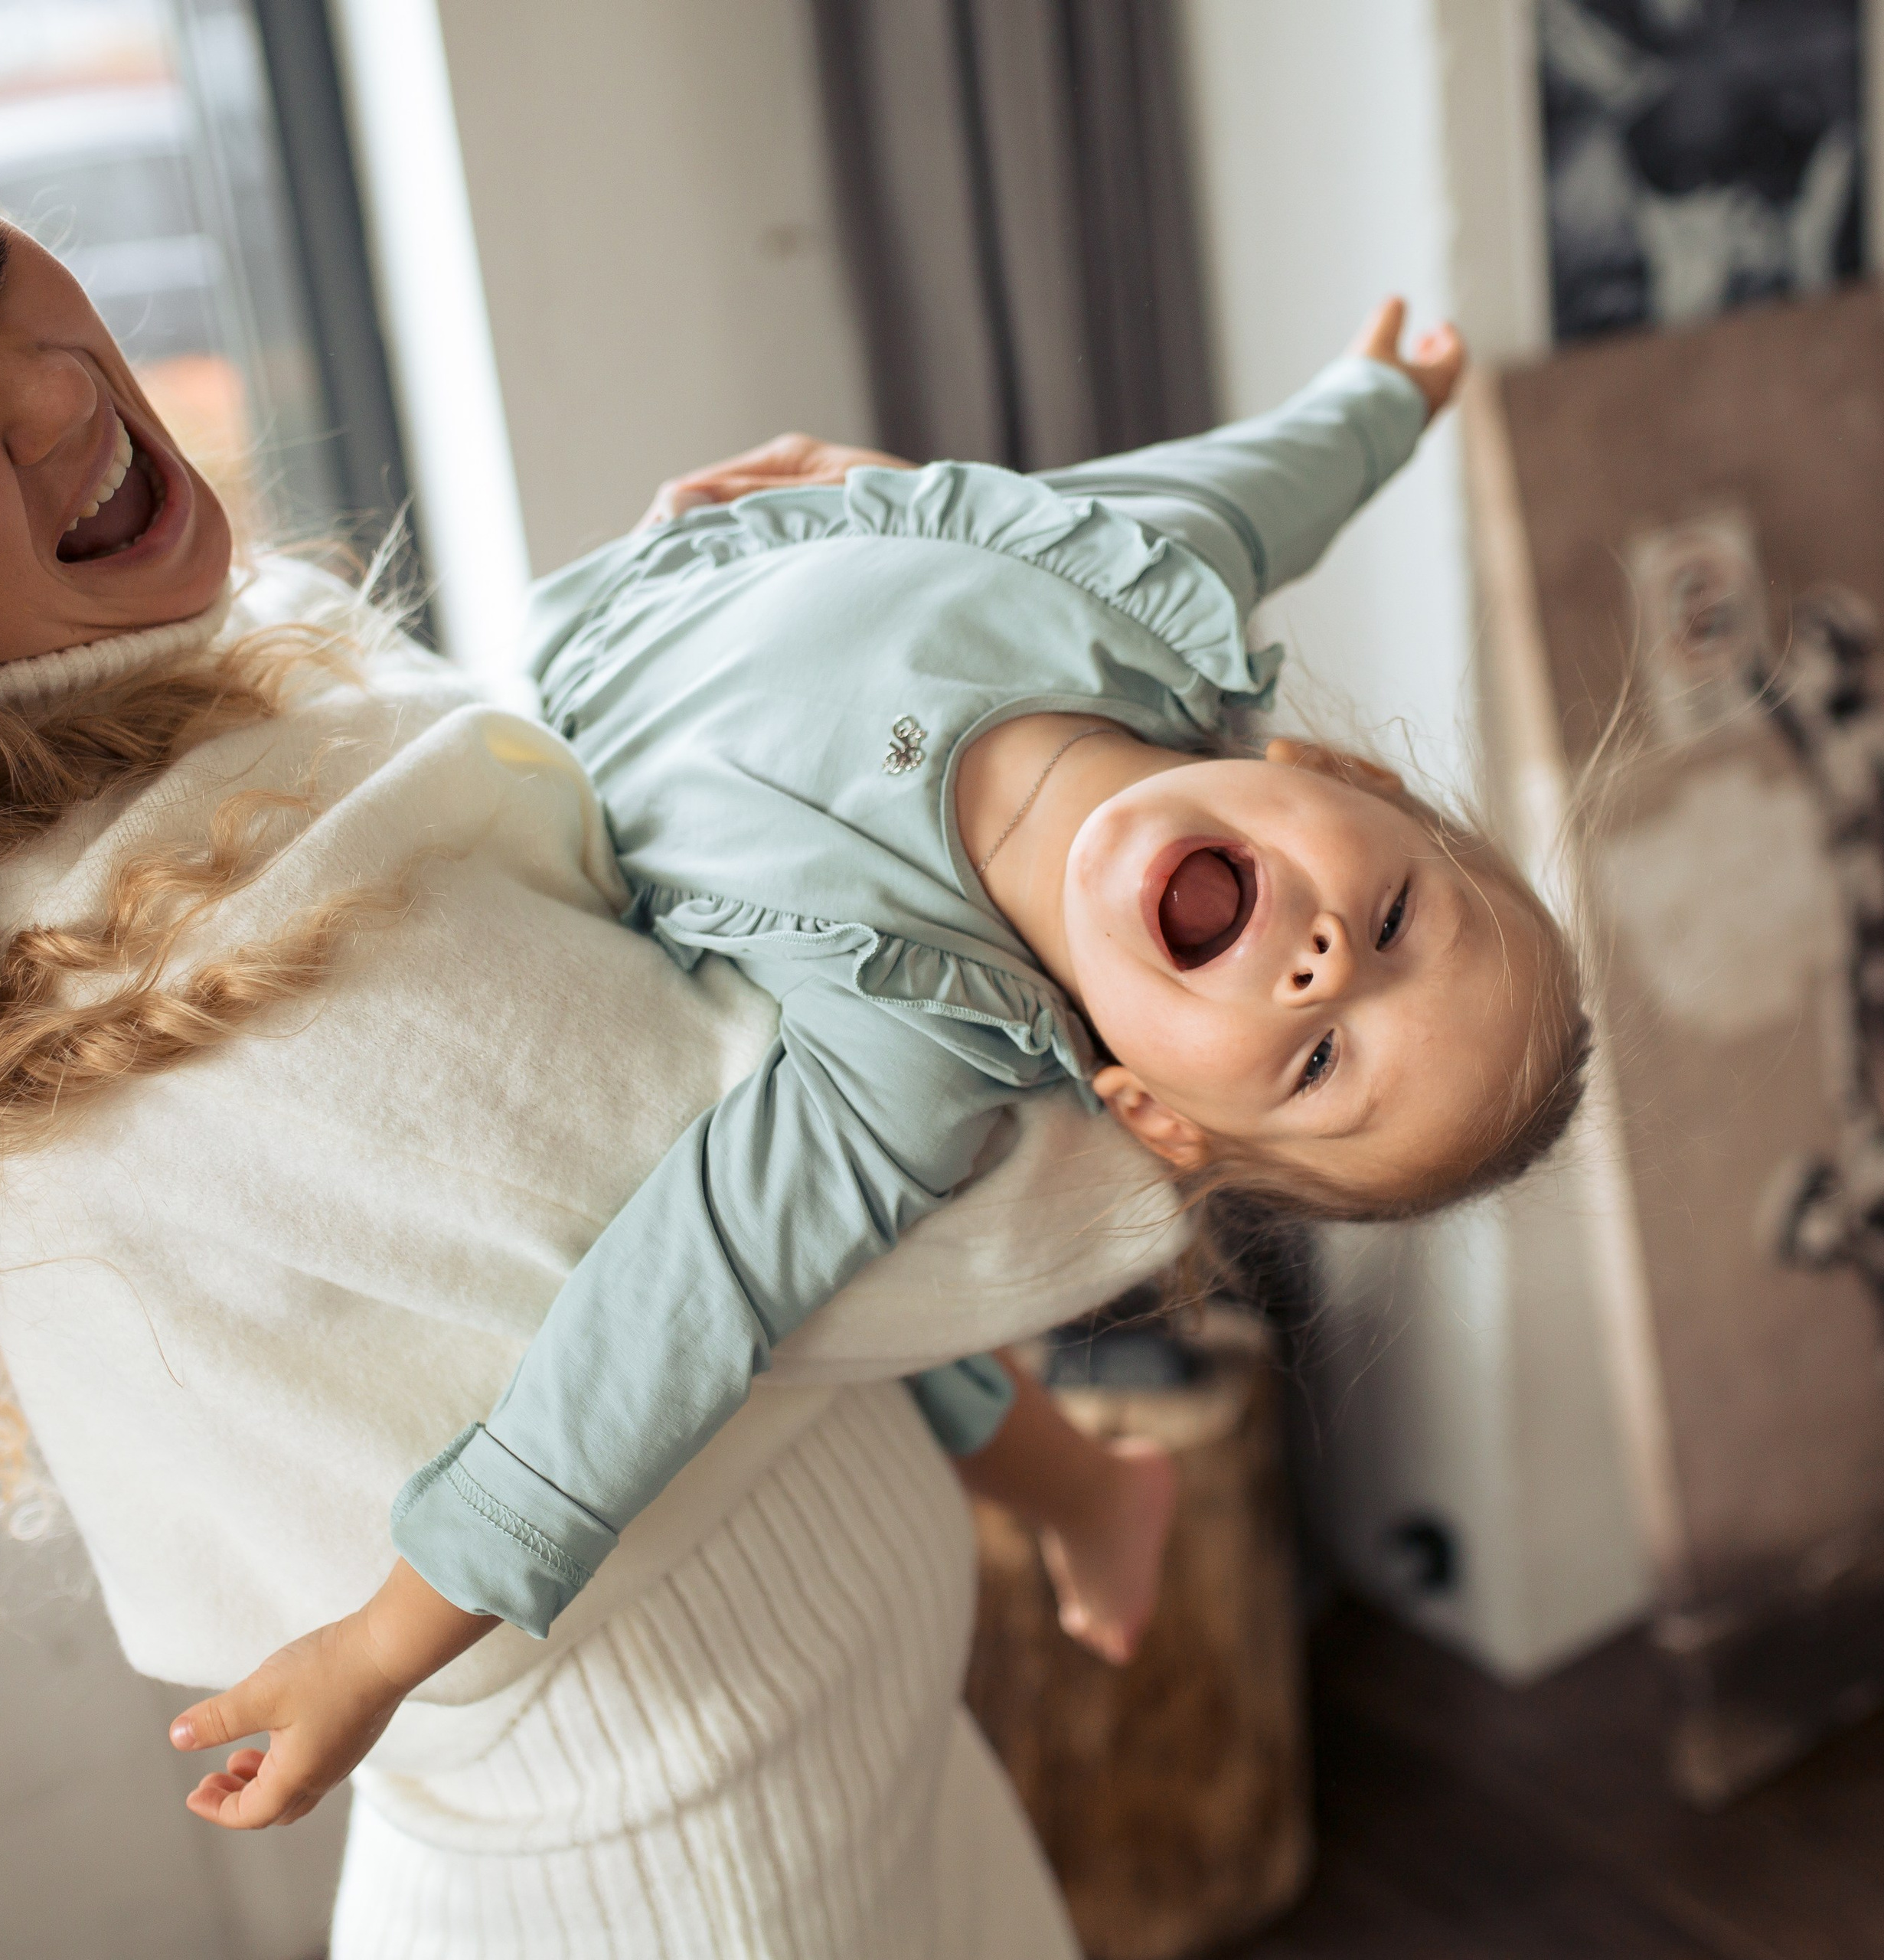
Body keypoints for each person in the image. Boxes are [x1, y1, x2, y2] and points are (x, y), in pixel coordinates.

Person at [171, 292, 1592, 1833]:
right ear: (1338, 774)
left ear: (1148, 1107)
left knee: (816, 1297)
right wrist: (1388, 392)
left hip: (575, 772)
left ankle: (1084, 1487)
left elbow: (657, 1328)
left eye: (1317, 1060)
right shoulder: (1139, 589)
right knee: (872, 1304)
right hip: (699, 555)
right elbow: (1267, 471)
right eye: (1390, 917)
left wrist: (383, 1645)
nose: (1324, 966)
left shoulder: (900, 1049)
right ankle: (1086, 1486)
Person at [0, 214, 1196, 1957]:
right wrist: (1220, 1047)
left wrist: (696, 628)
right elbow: (781, 1193)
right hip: (683, 1865)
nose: (46, 396)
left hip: (803, 1782)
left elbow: (583, 883)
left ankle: (1082, 1488)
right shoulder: (157, 958)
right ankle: (1085, 1486)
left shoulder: (206, 676)